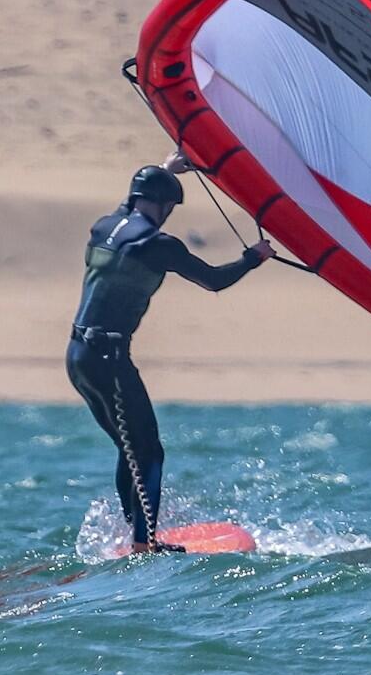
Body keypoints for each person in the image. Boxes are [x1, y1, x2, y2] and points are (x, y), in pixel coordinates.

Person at [67, 155, 271, 551]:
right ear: (161, 206)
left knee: (130, 449)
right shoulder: (157, 245)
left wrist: (165, 171)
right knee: (148, 453)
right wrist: (253, 258)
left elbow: (128, 206)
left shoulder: (105, 227)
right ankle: (144, 545)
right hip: (109, 360)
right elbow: (214, 280)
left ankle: (134, 536)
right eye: (169, 208)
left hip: (77, 356)